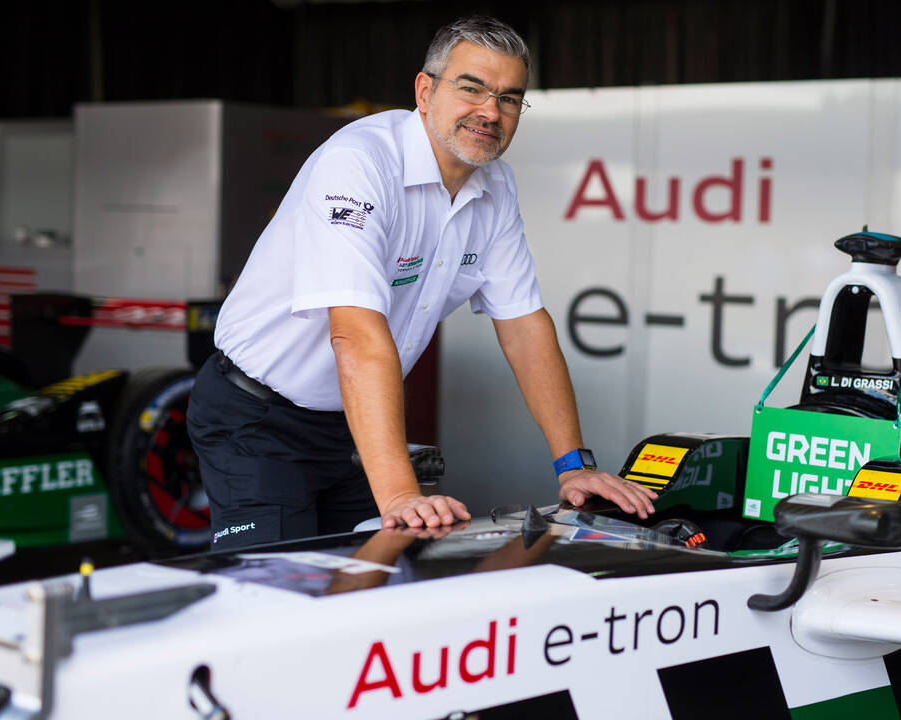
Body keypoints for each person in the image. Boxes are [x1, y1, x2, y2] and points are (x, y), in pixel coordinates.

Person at [186, 15, 656, 552]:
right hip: (257, 421)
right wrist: (399, 495)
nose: (490, 111)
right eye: (472, 88)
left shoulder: (495, 187)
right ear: (425, 90)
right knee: (275, 600)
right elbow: (356, 336)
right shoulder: (358, 163)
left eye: (509, 98)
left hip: (354, 426)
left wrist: (573, 467)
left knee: (370, 591)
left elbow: (524, 326)